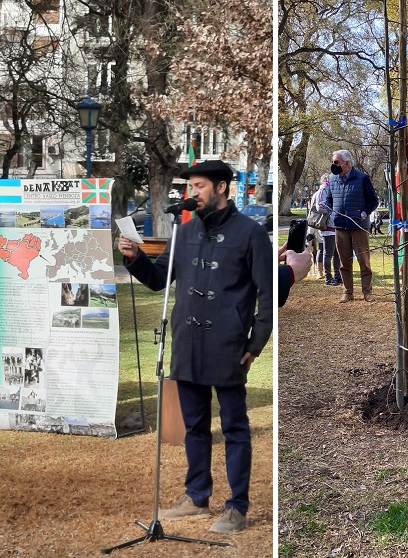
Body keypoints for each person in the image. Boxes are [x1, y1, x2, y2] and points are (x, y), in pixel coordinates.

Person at [117, 159, 272, 535]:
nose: (193, 194)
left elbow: (267, 295)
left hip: (230, 345)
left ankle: (237, 507)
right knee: (194, 426)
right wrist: (135, 259)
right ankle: (197, 496)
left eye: (200, 186)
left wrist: (256, 342)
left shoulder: (251, 234)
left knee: (235, 426)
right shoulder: (183, 234)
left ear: (221, 187)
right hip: (187, 343)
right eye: (191, 188)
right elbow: (158, 281)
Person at [323, 149, 379, 303]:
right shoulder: (332, 180)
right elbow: (327, 200)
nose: (333, 165)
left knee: (364, 261)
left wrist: (364, 212)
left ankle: (367, 292)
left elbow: (373, 200)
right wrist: (332, 213)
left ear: (346, 163)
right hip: (340, 227)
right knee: (344, 262)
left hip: (359, 226)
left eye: (336, 162)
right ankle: (348, 292)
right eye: (333, 162)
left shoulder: (362, 178)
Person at [312, 175, 340, 285]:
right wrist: (333, 211)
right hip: (328, 226)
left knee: (337, 253)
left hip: (334, 225)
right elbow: (320, 207)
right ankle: (328, 278)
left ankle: (337, 276)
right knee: (327, 253)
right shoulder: (323, 190)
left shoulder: (329, 189)